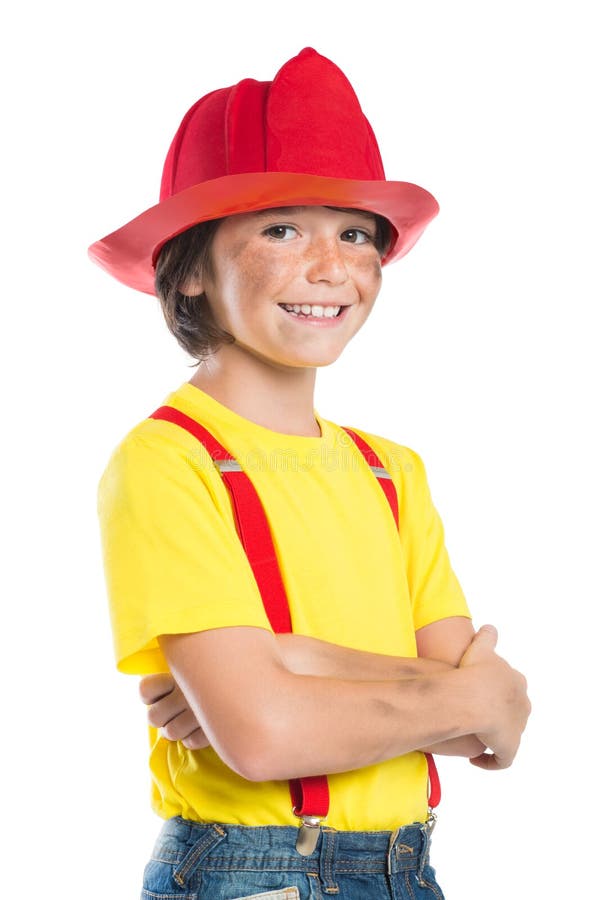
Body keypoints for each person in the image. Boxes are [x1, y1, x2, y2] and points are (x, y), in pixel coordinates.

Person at [92, 47, 530, 900]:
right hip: (255, 872)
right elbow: (265, 738)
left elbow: (495, 725)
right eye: (282, 229)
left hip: (410, 869)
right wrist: (454, 692)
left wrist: (289, 660)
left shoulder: (390, 471)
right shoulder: (169, 460)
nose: (330, 268)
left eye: (355, 233)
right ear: (187, 274)